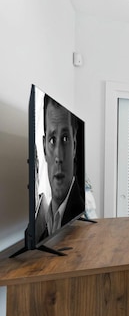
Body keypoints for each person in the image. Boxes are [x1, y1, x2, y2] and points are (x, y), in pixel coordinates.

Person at [36, 94, 84, 243]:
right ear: (44, 148)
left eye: (65, 139)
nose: (58, 156)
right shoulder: (45, 220)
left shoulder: (80, 214)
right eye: (52, 140)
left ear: (74, 145)